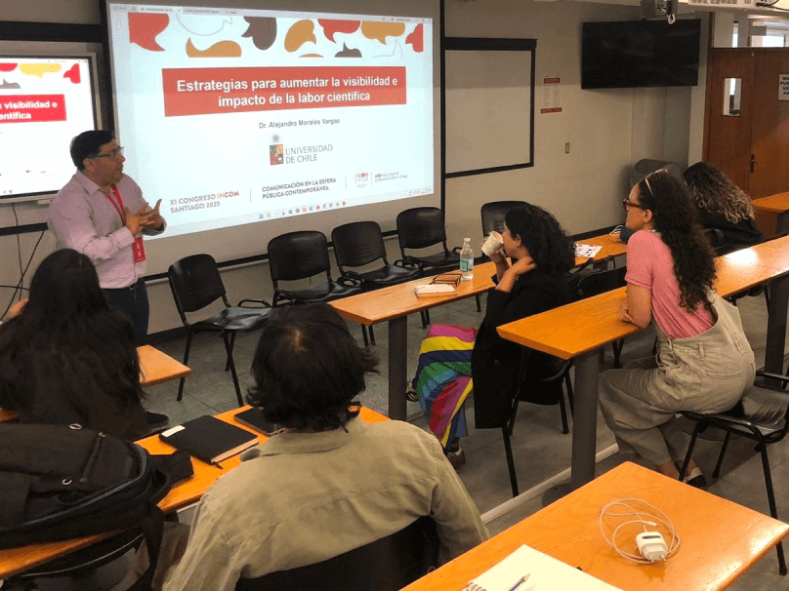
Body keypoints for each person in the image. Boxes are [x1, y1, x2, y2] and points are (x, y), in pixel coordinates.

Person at [161, 304, 488, 591]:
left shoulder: (229, 504)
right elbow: (473, 547)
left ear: (264, 384)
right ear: (354, 369)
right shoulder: (416, 448)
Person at [598, 171, 755, 486]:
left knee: (607, 385)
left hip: (704, 378)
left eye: (628, 203)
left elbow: (640, 318)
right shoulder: (685, 240)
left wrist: (630, 309)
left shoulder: (642, 240)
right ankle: (687, 464)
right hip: (738, 366)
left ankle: (668, 471)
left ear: (647, 214)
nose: (624, 207)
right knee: (636, 369)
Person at [411, 204, 575, 463]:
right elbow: (510, 309)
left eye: (506, 231)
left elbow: (494, 326)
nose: (501, 235)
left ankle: (447, 443)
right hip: (514, 348)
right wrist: (501, 265)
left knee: (435, 363)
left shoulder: (538, 285)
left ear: (519, 240)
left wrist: (508, 273)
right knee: (434, 334)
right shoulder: (539, 268)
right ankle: (439, 427)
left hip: (514, 362)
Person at [0, 249, 155, 439]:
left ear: (38, 290)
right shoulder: (117, 325)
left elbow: (7, 400)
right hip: (127, 442)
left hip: (63, 452)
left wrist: (16, 321)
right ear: (94, 289)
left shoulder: (16, 336)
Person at [47, 130, 166, 344]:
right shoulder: (70, 201)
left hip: (135, 286)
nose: (121, 159)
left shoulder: (125, 183)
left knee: (138, 355)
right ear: (90, 163)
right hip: (98, 295)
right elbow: (83, 253)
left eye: (119, 151)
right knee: (106, 362)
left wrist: (156, 223)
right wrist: (127, 232)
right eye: (112, 154)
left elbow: (143, 219)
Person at [682, 161, 764, 255]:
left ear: (694, 186)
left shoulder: (701, 207)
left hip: (731, 254)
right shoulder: (737, 198)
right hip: (756, 246)